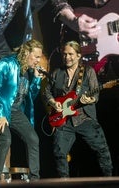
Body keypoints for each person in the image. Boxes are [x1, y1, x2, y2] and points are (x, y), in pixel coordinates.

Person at [42, 40, 113, 177]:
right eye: (64, 54)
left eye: (70, 54)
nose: (67, 57)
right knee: (59, 153)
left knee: (102, 150)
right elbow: (47, 92)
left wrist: (90, 99)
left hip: (84, 117)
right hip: (64, 121)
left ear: (79, 55)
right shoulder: (57, 73)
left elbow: (95, 93)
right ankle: (64, 182)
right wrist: (52, 102)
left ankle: (109, 180)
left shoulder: (88, 71)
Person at [0, 39, 45, 182]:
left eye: (39, 57)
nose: (38, 61)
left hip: (15, 110)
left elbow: (31, 96)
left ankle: (35, 179)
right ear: (26, 53)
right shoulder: (6, 64)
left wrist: (36, 80)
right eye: (36, 57)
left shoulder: (28, 71)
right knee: (6, 139)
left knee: (33, 139)